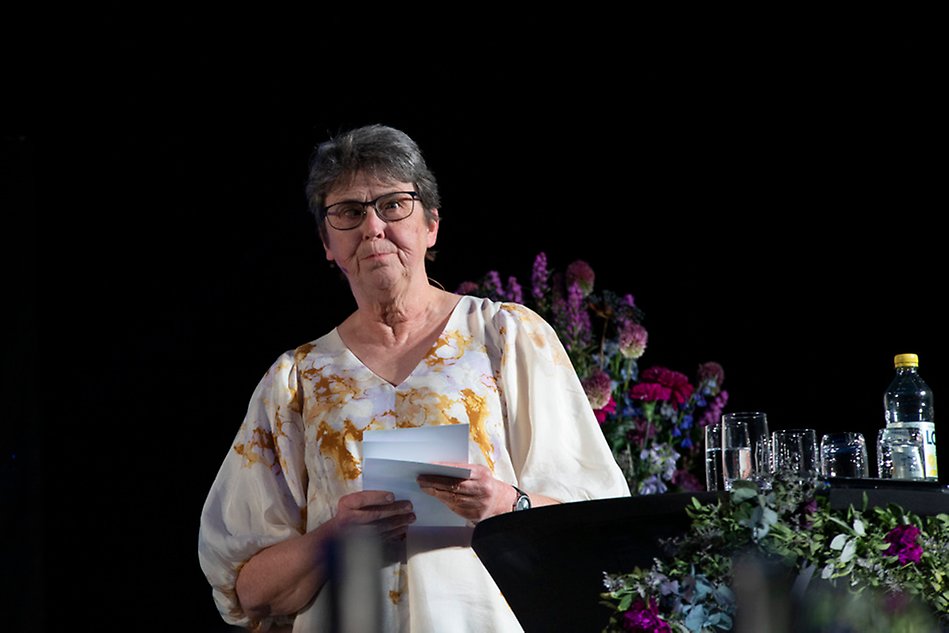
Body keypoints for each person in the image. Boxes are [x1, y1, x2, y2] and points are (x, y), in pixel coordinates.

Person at [197, 123, 631, 632]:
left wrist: (507, 504)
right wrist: (334, 536)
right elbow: (248, 590)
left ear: (431, 226)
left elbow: (599, 525)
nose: (372, 227)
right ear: (327, 243)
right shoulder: (297, 380)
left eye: (393, 204)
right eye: (349, 212)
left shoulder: (503, 337)